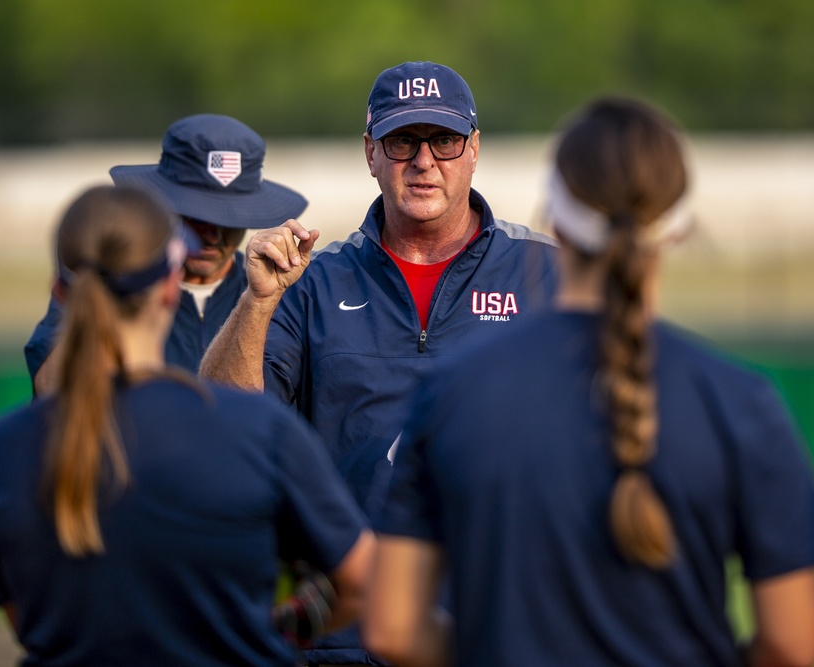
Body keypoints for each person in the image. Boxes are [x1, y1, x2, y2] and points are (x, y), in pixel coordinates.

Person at [363, 97, 814, 667]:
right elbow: (792, 643)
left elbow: (393, 629)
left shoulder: (452, 390)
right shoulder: (741, 401)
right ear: (679, 228)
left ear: (556, 218)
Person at [199, 61, 559, 665]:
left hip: (500, 630)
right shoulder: (311, 282)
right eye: (401, 141)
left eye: (443, 140)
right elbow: (223, 424)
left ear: (473, 150)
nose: (424, 161)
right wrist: (258, 301)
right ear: (370, 153)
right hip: (345, 638)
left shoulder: (546, 274)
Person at [0, 185, 374, 666]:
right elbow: (361, 582)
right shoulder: (257, 430)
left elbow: (26, 622)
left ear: (59, 293)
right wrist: (275, 630)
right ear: (169, 287)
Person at [24, 113, 308, 395]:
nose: (212, 236)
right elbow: (52, 388)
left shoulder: (277, 293)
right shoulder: (110, 279)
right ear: (164, 205)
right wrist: (112, 290)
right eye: (197, 217)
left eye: (228, 220)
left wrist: (257, 303)